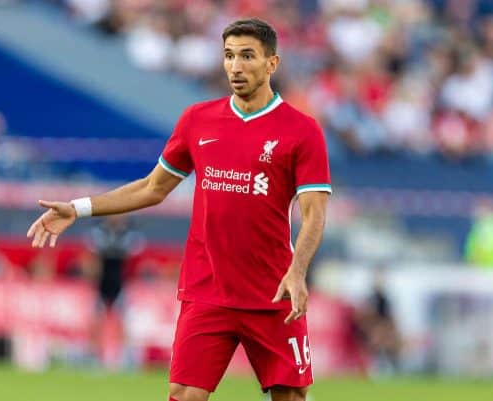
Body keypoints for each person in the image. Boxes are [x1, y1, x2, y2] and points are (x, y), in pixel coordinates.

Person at [27, 18, 331, 401]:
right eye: (229, 56)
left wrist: (298, 271)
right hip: (207, 290)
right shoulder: (197, 120)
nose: (235, 66)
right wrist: (79, 208)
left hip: (273, 294)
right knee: (185, 394)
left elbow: (315, 213)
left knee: (290, 397)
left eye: (247, 56)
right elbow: (153, 188)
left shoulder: (301, 131)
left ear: (272, 63)